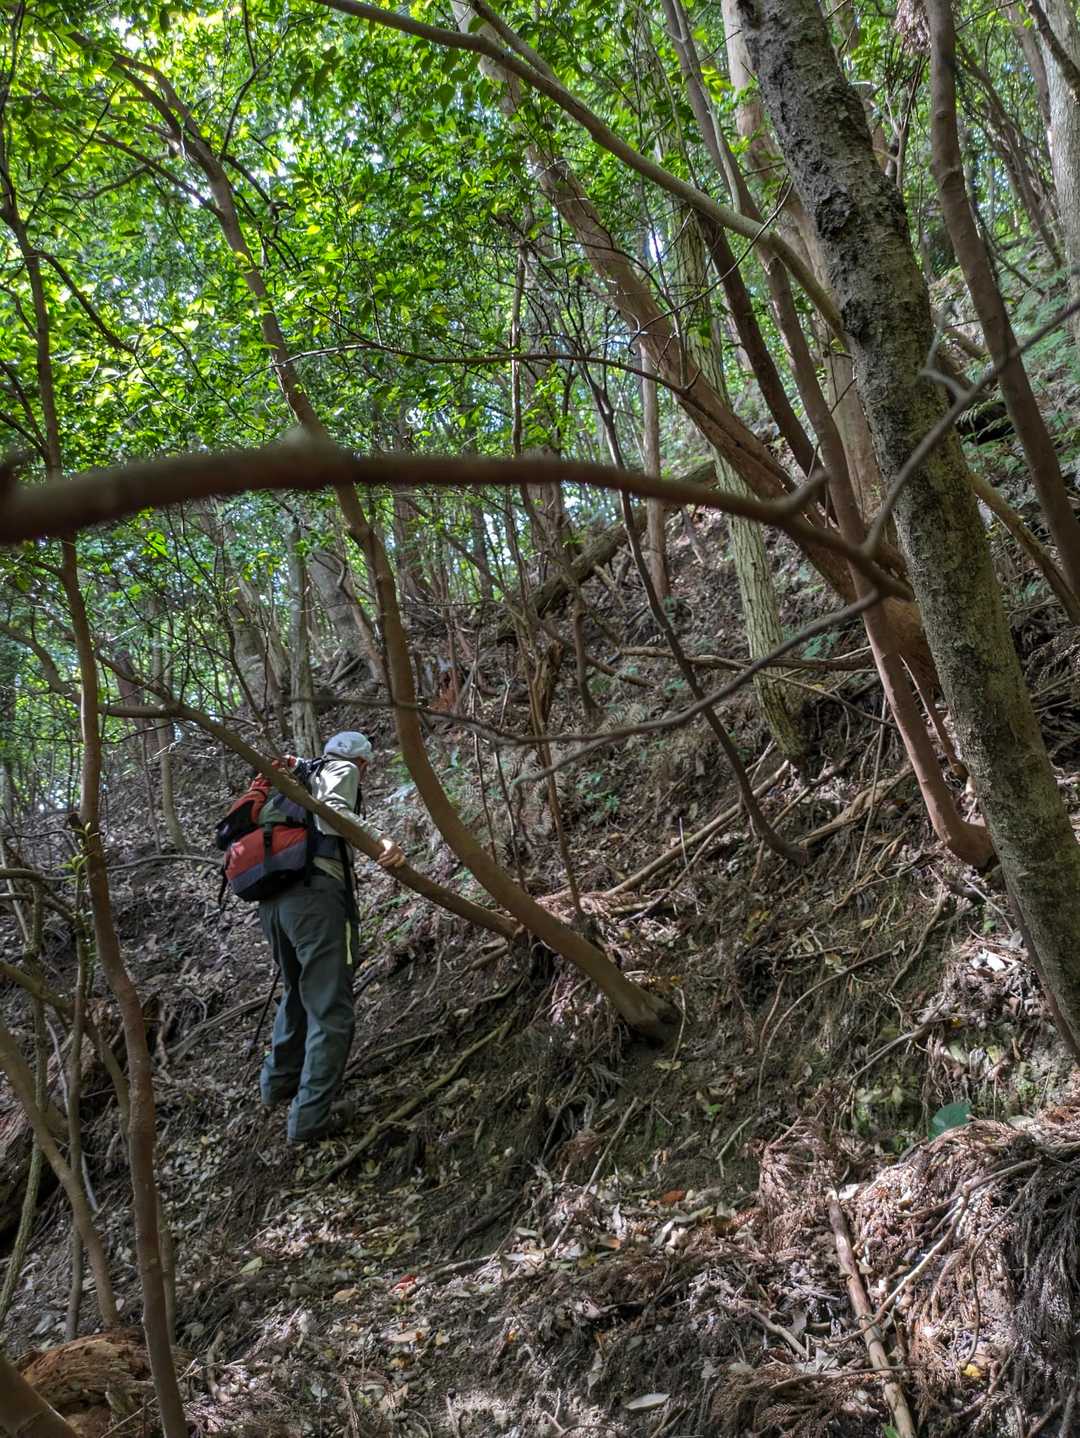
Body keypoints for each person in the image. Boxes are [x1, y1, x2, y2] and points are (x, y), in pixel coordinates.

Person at [259, 730, 405, 1143]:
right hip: (316, 898)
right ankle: (310, 1119)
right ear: (362, 762)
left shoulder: (299, 777)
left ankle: (278, 1083)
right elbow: (333, 812)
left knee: (296, 990)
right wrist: (381, 841)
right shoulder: (342, 769)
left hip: (272, 901)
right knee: (331, 1007)